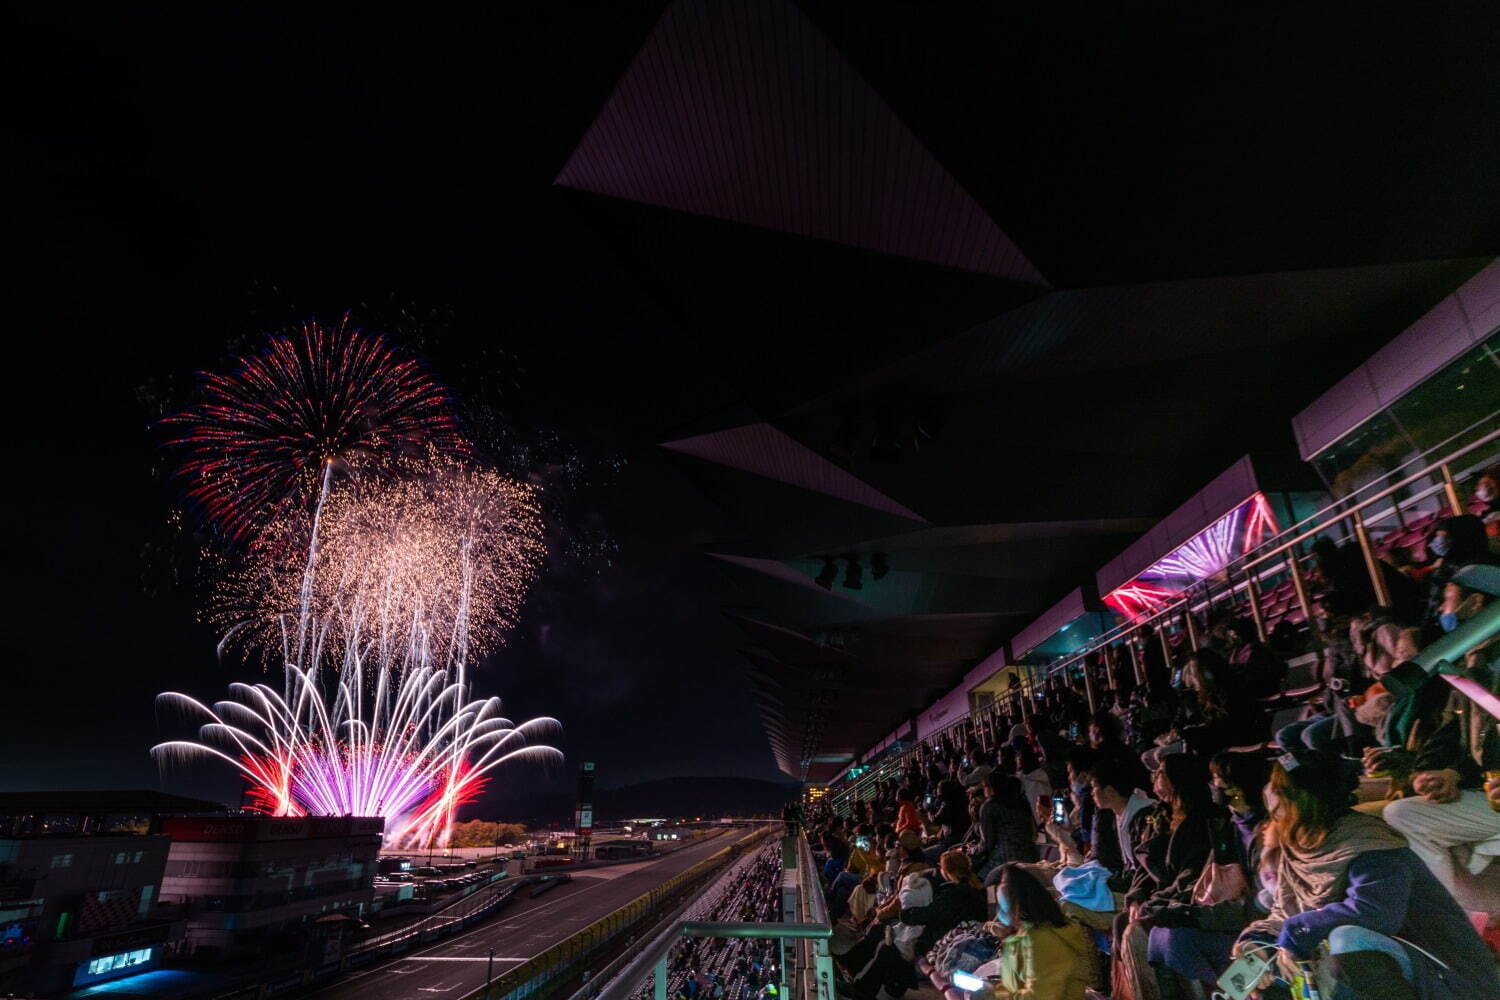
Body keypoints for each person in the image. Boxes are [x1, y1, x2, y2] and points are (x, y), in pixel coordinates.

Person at [1230, 742, 1500, 1000]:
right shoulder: (1301, 846)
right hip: (1364, 971)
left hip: (1444, 972)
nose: (1269, 795)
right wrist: (1257, 943)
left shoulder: (1369, 844)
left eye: (1278, 788)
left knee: (1347, 940)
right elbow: (1286, 912)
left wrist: (1298, 929)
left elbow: (1375, 913)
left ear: (1301, 799)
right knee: (1265, 973)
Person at [973, 863, 1093, 1000]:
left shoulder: (1041, 940)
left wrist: (993, 995)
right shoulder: (1031, 933)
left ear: (1016, 905)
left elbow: (1039, 996)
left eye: (1002, 905)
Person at [971, 773, 1038, 879]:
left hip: (1005, 859)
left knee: (974, 877)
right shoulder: (1022, 802)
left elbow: (987, 843)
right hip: (1031, 855)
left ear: (991, 788)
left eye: (985, 787)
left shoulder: (989, 806)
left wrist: (972, 851)